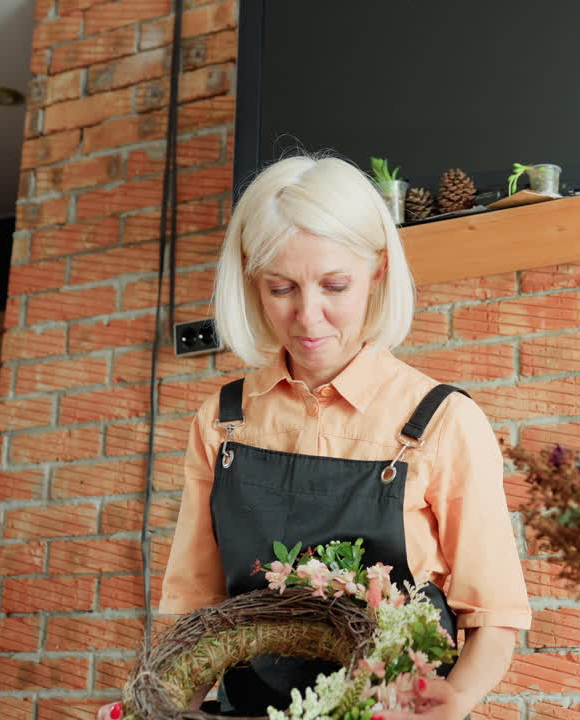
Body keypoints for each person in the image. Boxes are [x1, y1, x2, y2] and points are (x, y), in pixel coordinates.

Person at [151, 154, 531, 717]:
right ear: (253, 280)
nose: (309, 317)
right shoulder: (222, 421)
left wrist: (454, 699)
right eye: (281, 288)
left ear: (377, 271)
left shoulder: (441, 420)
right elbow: (196, 611)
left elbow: (494, 617)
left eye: (335, 285)